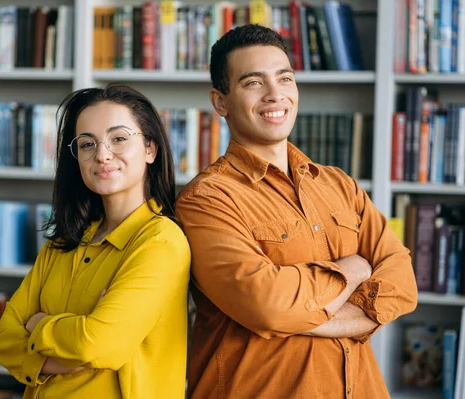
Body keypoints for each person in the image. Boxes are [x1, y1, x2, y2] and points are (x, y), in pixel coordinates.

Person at [176, 24, 418, 399]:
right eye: (253, 82)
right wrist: (353, 270)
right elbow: (268, 307)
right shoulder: (207, 199)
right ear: (220, 101)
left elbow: (401, 283)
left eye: (285, 78)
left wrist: (304, 314)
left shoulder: (341, 186)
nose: (276, 94)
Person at [0, 83, 191, 399]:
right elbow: (3, 340)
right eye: (87, 144)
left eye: (119, 139)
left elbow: (99, 345)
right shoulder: (63, 242)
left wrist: (39, 323)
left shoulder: (161, 243)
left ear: (150, 148)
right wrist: (73, 339)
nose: (102, 154)